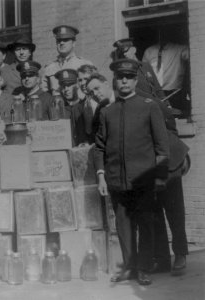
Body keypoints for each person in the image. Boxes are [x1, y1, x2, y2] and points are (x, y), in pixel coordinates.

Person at [113, 39, 191, 275]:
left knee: (174, 209)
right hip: (146, 164)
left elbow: (167, 116)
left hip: (166, 160)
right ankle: (163, 258)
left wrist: (175, 146)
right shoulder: (123, 104)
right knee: (154, 212)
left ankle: (180, 254)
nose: (125, 82)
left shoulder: (150, 93)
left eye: (130, 76)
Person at [94, 59, 169, 286]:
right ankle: (130, 267)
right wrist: (101, 176)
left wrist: (160, 177)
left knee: (145, 223)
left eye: (128, 76)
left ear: (136, 80)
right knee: (123, 226)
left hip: (143, 180)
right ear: (115, 80)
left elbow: (162, 147)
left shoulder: (149, 106)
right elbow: (99, 147)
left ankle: (145, 267)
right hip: (117, 180)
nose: (124, 80)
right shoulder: (107, 112)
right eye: (120, 77)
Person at [142, 32, 190, 117]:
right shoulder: (149, 51)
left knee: (174, 117)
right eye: (160, 33)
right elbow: (143, 71)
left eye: (166, 32)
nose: (163, 36)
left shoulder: (180, 49)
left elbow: (194, 56)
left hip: (174, 93)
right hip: (155, 93)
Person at [41, 25, 93, 94]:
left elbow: (93, 90)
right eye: (59, 40)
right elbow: (44, 95)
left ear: (73, 43)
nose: (62, 43)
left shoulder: (84, 64)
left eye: (65, 40)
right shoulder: (49, 68)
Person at [55, 68, 88, 146]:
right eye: (63, 86)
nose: (66, 89)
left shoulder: (85, 106)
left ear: (76, 85)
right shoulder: (59, 109)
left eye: (69, 85)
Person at [85, 73, 115, 138]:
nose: (95, 94)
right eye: (91, 93)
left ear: (106, 84)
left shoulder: (123, 98)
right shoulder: (98, 110)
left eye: (96, 88)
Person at [76, 64, 99, 143]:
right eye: (80, 80)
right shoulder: (78, 107)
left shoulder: (104, 101)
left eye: (86, 79)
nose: (82, 83)